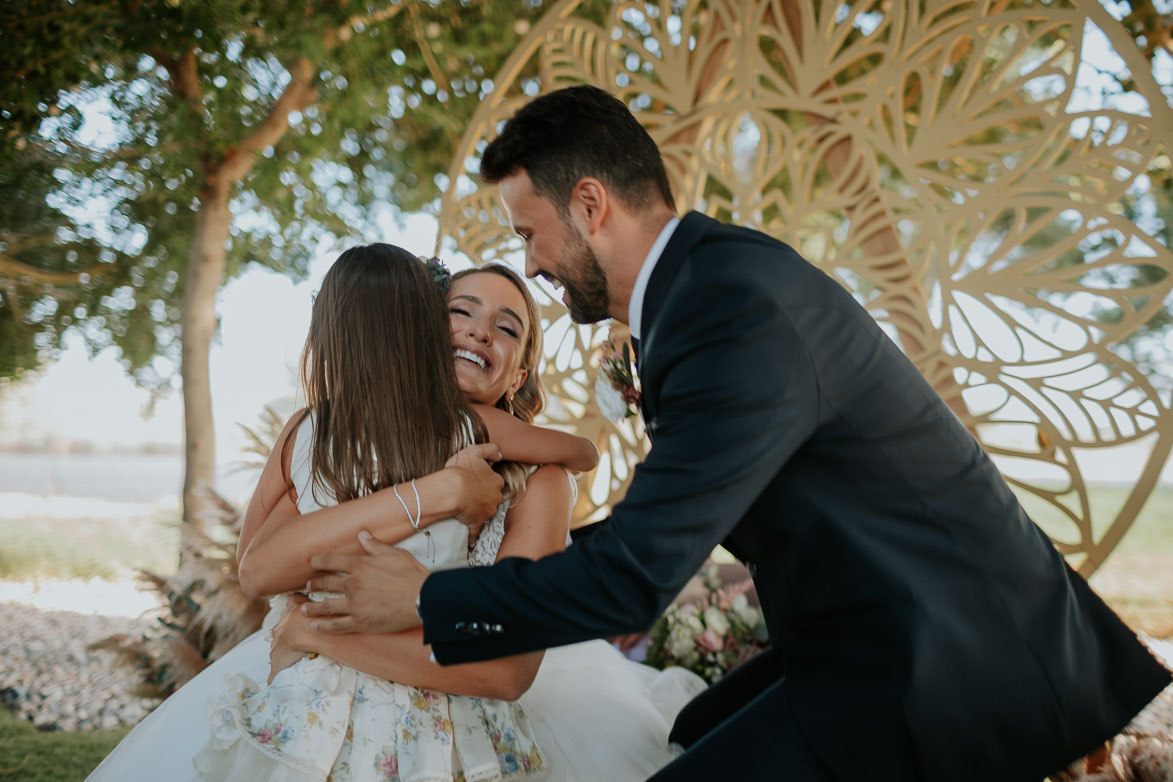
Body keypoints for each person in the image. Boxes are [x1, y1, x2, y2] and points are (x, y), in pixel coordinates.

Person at [301, 85, 1173, 782]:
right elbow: (679, 512)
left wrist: (422, 597)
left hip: (951, 664)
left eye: (530, 231)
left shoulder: (728, 312)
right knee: (686, 730)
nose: (528, 261)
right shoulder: (707, 287)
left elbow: (634, 581)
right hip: (868, 634)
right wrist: (511, 542)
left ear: (590, 205)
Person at [85, 249, 702, 782]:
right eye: (461, 311)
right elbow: (263, 566)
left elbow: (508, 669)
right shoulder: (333, 430)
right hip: (314, 701)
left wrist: (323, 632)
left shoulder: (537, 480)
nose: (481, 331)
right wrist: (439, 492)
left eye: (508, 328)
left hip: (450, 713)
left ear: (520, 371)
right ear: (416, 330)